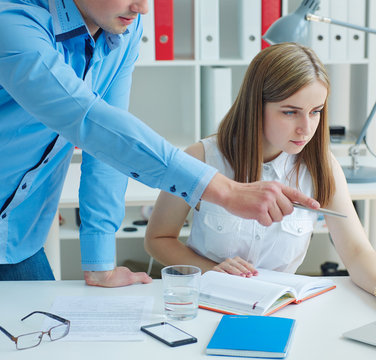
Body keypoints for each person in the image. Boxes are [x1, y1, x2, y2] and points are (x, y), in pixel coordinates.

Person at [0, 1, 319, 285]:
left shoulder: (123, 29)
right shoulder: (12, 24)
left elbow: (107, 149)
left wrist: (100, 264)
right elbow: (90, 122)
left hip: (18, 237)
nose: (143, 8)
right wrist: (227, 191)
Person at [145, 42, 376, 320]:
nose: (306, 128)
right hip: (208, 305)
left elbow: (357, 250)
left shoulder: (321, 166)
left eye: (316, 112)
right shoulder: (201, 158)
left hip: (282, 311)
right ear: (255, 106)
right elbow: (158, 238)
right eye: (290, 112)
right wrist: (210, 270)